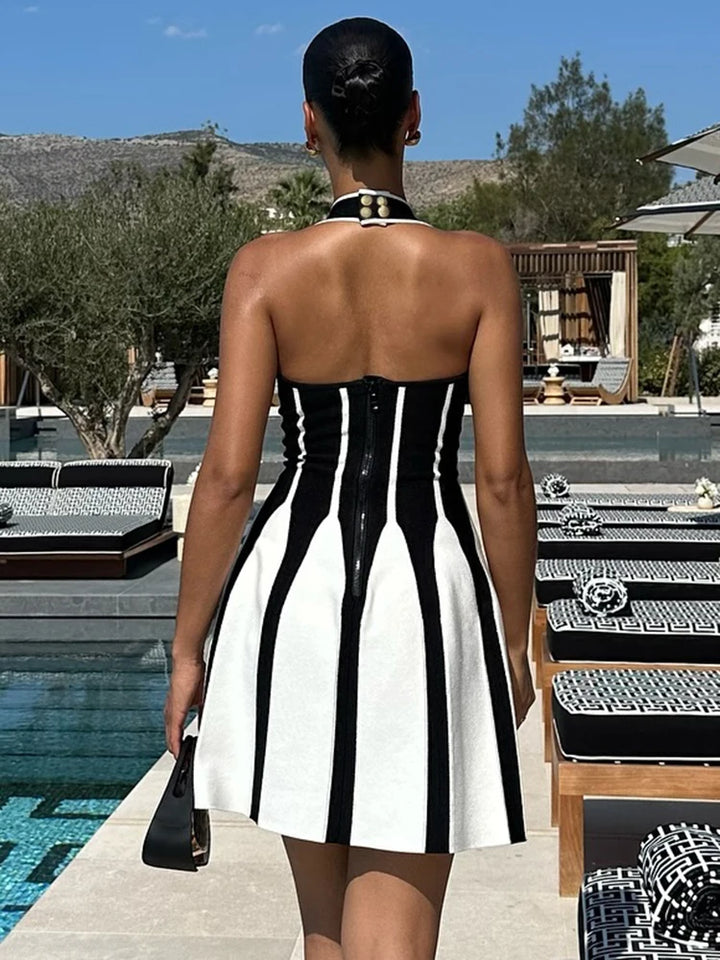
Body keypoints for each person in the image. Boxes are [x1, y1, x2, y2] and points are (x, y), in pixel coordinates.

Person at [164, 15, 537, 960]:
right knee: (397, 943)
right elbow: (499, 479)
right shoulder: (479, 270)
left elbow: (227, 480)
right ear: (414, 117)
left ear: (307, 123)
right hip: (428, 601)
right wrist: (516, 632)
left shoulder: (265, 271)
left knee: (326, 936)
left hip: (296, 593)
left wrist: (186, 652)